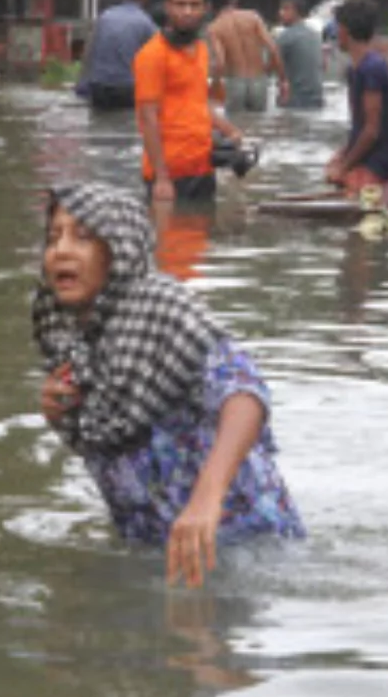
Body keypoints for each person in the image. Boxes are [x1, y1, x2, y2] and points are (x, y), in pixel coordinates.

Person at [34, 183, 306, 587]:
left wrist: (205, 500)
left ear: (120, 249)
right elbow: (108, 438)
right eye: (54, 236)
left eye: (83, 236)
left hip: (244, 550)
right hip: (154, 557)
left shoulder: (165, 308)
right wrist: (57, 413)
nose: (61, 250)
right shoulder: (75, 337)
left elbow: (246, 391)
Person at [137, 0, 252, 204]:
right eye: (180, 4)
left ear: (206, 8)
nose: (187, 11)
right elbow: (147, 118)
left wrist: (230, 131)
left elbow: (199, 101)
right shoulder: (152, 55)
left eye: (194, 5)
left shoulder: (200, 49)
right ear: (168, 7)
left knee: (201, 235)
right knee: (170, 238)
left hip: (202, 167)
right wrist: (161, 178)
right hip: (169, 174)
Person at [324, 0, 388, 196]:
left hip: (375, 165)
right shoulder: (355, 69)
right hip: (364, 159)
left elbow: (371, 131)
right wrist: (343, 154)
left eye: (338, 28)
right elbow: (360, 126)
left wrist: (344, 167)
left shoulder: (372, 68)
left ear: (344, 31)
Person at [77, 0, 160, 111]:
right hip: (127, 90)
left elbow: (88, 53)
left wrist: (82, 82)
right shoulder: (146, 23)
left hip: (99, 88)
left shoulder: (104, 17)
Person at [206, 0, 288, 112]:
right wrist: (282, 79)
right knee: (258, 126)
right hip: (259, 82)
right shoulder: (253, 17)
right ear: (234, 0)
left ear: (210, 6)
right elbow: (273, 49)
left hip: (235, 83)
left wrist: (215, 87)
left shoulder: (214, 28)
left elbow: (220, 63)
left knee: (238, 126)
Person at [273, 0, 326, 111]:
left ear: (297, 12)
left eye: (285, 9)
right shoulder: (315, 35)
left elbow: (273, 65)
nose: (280, 13)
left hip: (296, 100)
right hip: (318, 98)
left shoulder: (285, 37)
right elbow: (324, 64)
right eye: (281, 9)